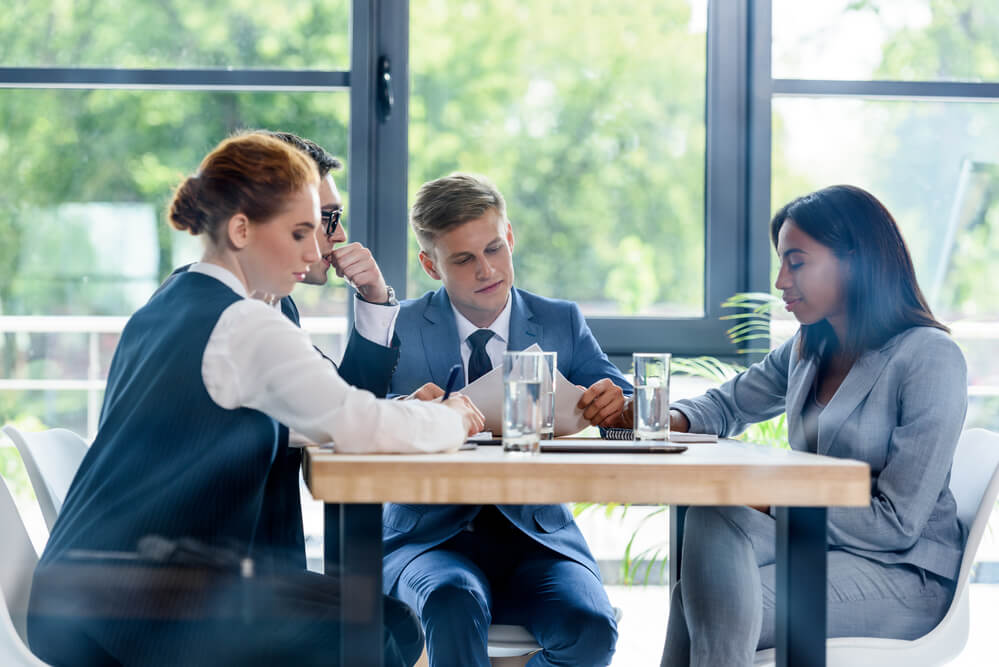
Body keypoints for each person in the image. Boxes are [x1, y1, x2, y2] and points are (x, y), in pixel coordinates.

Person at [26, 132, 484, 667]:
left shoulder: (182, 303)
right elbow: (356, 422)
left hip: (91, 596)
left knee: (390, 623)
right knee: (369, 633)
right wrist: (453, 417)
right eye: (299, 232)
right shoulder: (243, 321)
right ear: (241, 229)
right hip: (140, 610)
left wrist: (397, 411)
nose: (319, 251)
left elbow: (310, 412)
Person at [660, 185, 967, 667]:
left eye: (796, 262)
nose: (781, 280)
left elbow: (898, 524)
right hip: (823, 542)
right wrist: (659, 417)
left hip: (905, 576)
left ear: (855, 261)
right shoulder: (810, 347)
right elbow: (727, 405)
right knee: (710, 516)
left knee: (702, 599)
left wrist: (774, 498)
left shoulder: (929, 357)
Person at [382, 173, 627, 667]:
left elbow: (623, 411)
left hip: (538, 537)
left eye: (494, 248)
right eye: (464, 259)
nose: (486, 269)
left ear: (510, 236)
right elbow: (357, 411)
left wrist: (615, 404)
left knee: (592, 629)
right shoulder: (399, 326)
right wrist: (406, 411)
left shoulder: (561, 320)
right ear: (431, 264)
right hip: (430, 537)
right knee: (451, 602)